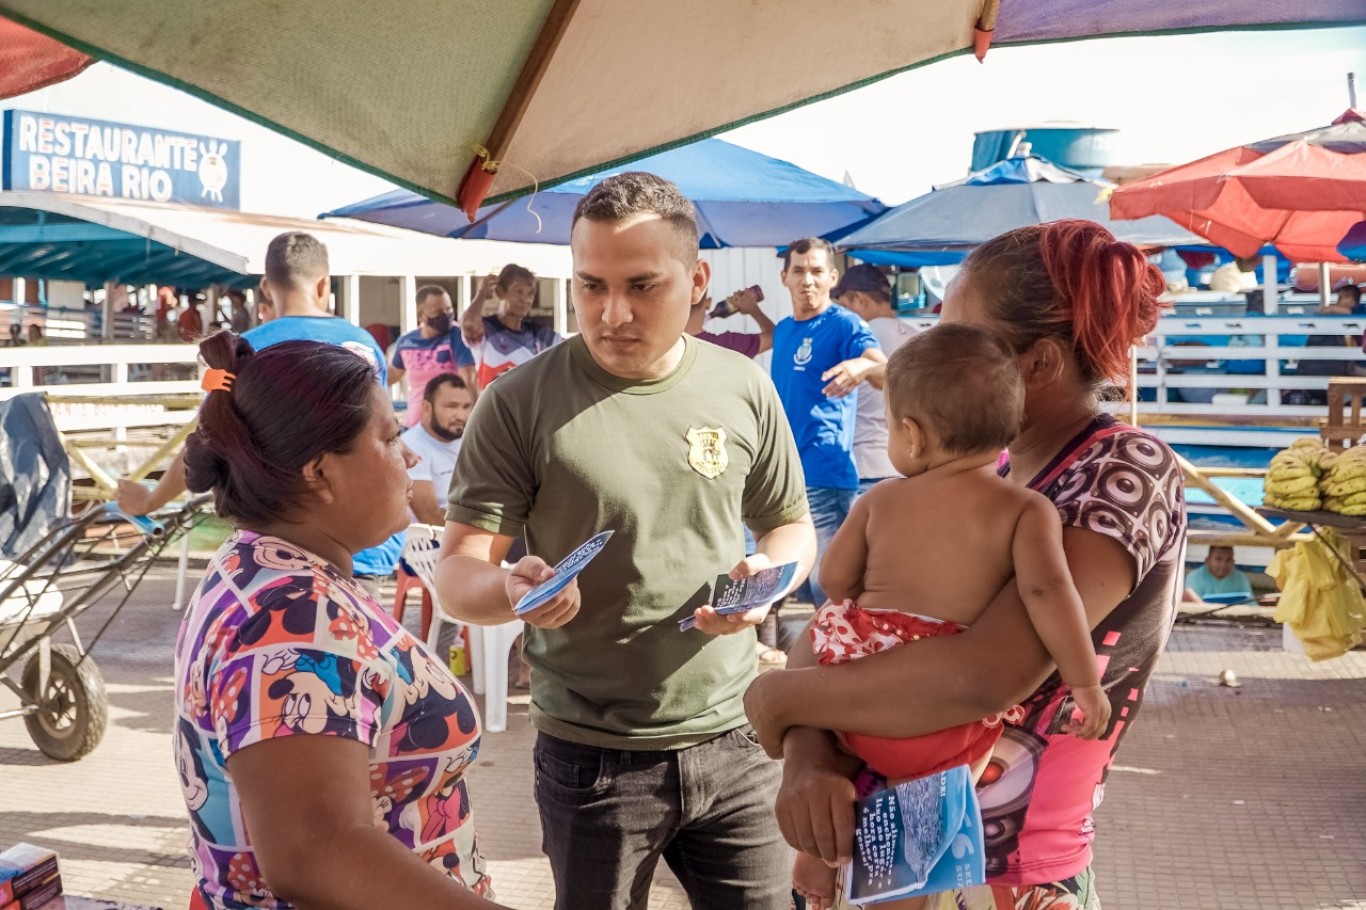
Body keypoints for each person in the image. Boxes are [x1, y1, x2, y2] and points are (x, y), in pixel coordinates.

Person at [744, 219, 1187, 910]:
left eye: (957, 332)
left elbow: (980, 675)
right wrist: (808, 752)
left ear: (1038, 364)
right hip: (884, 849)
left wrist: (779, 699)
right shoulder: (976, 474)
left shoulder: (1120, 471)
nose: (931, 349)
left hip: (1004, 873)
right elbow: (846, 627)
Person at [435, 171, 816, 910]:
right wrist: (511, 590)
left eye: (642, 285)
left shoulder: (744, 387)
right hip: (592, 759)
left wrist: (771, 574)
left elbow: (791, 524)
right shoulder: (518, 402)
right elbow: (457, 571)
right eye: (590, 286)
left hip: (740, 737)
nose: (612, 313)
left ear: (698, 278)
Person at [175, 332, 503, 910]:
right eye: (389, 436)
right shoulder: (291, 617)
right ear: (320, 473)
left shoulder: (261, 564)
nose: (410, 456)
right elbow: (316, 850)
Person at [789, 325, 1111, 910]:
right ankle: (909, 892)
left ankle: (825, 856)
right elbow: (1048, 592)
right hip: (950, 729)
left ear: (910, 435)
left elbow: (833, 582)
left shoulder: (880, 501)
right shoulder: (1027, 509)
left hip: (866, 707)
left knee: (854, 760)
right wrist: (1085, 683)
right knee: (925, 812)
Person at [117, 231, 402, 594]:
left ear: (267, 287)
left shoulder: (248, 350)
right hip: (366, 538)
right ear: (323, 284)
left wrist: (152, 499)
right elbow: (383, 436)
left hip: (286, 546)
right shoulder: (363, 344)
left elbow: (208, 434)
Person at [770, 237, 886, 612]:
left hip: (825, 473)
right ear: (784, 276)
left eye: (817, 271)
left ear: (833, 277)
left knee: (829, 586)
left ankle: (838, 661)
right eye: (800, 271)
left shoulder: (844, 324)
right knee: (787, 579)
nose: (808, 280)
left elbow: (886, 371)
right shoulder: (784, 330)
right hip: (785, 474)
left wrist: (863, 366)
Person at [830, 263, 916, 495]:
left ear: (860, 300)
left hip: (864, 466)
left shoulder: (858, 339)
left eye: (846, 306)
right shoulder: (916, 337)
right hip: (906, 465)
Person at [459, 264, 561, 390]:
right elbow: (469, 325)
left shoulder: (541, 335)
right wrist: (482, 293)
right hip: (491, 407)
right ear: (500, 292)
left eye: (531, 293)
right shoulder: (487, 329)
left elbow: (572, 351)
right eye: (519, 291)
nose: (526, 299)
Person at [391, 285, 476, 427]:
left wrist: (474, 419)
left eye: (449, 309)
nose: (446, 315)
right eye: (438, 312)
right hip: (414, 426)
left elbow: (468, 380)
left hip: (449, 429)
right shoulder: (406, 342)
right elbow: (393, 374)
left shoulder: (458, 336)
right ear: (421, 315)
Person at [402, 373, 475, 527]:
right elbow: (429, 515)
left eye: (466, 407)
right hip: (429, 544)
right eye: (451, 406)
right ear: (427, 408)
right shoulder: (411, 447)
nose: (461, 415)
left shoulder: (470, 440)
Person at [685, 286, 776, 357]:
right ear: (708, 302)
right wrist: (754, 310)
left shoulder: (673, 343)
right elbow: (774, 338)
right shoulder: (723, 346)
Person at [1182, 545, 1253, 603]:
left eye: (1228, 560)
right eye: (1218, 559)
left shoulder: (1241, 579)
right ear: (1207, 561)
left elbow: (1251, 606)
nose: (1223, 565)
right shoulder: (1195, 577)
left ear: (1233, 562)